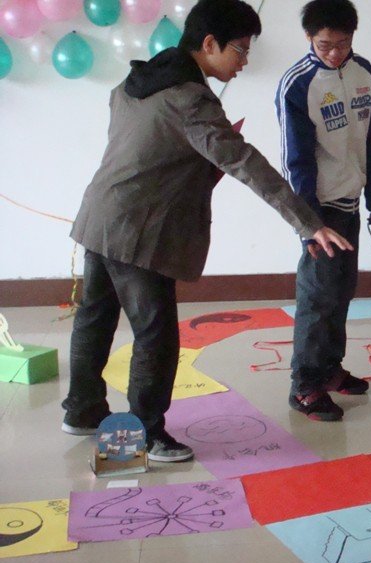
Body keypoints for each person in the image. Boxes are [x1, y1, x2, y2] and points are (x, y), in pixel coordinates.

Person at [61, 0, 351, 461]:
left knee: (95, 317)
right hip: (139, 232)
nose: (245, 60)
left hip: (99, 216)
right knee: (156, 336)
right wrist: (309, 223)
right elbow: (245, 162)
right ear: (210, 43)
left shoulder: (138, 80)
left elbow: (149, 144)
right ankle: (147, 434)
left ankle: (82, 410)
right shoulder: (190, 98)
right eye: (241, 49)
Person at [276, 0, 371, 421]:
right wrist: (308, 225)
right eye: (325, 45)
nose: (335, 53)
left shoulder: (363, 72)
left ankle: (329, 369)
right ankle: (304, 385)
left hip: (350, 201)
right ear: (309, 37)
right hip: (319, 211)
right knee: (317, 297)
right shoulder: (297, 84)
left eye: (342, 43)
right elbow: (295, 160)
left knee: (342, 292)